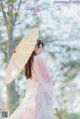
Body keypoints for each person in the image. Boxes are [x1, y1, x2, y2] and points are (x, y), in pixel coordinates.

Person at [8, 39, 55, 119]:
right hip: (41, 92)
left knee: (32, 113)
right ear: (34, 47)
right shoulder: (38, 59)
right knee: (41, 114)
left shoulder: (26, 64)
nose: (41, 50)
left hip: (32, 94)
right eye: (39, 47)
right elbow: (47, 77)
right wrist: (52, 80)